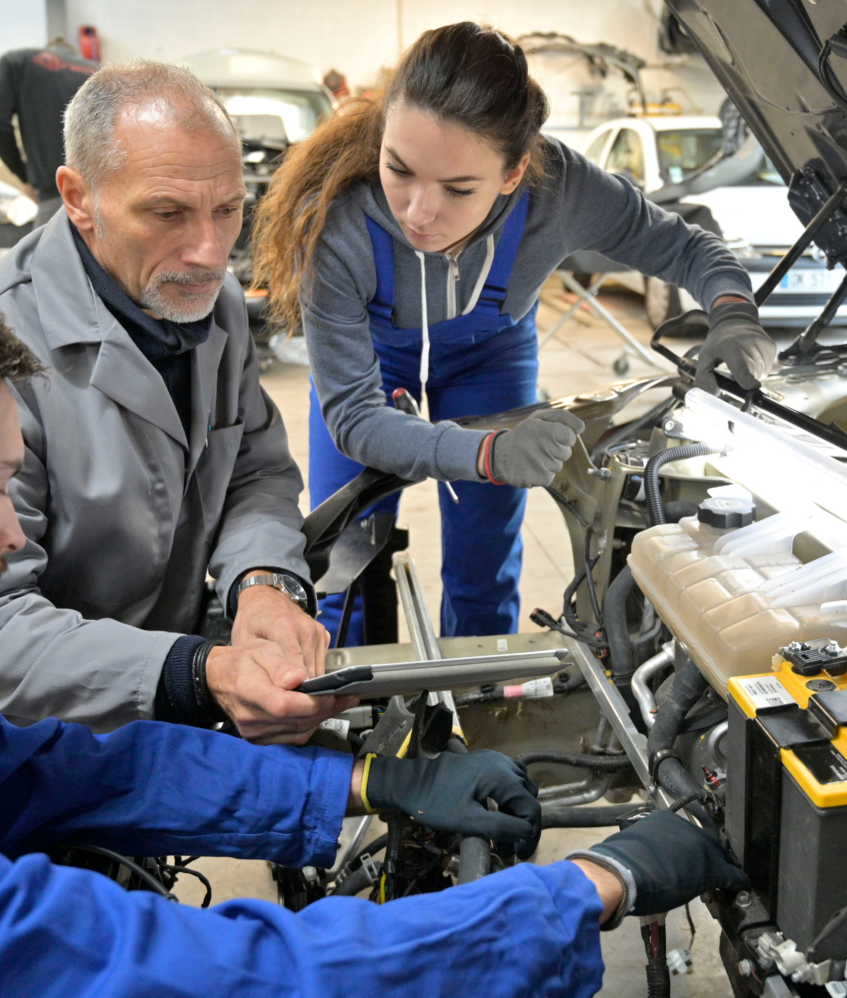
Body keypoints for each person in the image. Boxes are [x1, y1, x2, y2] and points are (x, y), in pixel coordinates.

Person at [0, 262, 747, 996]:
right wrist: (582, 889)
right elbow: (208, 975)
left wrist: (371, 780)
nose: (17, 531)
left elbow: (73, 768)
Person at [253, 23, 777, 645]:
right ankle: (345, 715)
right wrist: (487, 452)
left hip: (489, 359)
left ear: (513, 173)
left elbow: (688, 247)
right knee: (343, 561)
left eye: (458, 189)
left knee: (483, 566)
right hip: (372, 360)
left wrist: (735, 311)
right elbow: (357, 420)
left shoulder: (563, 191)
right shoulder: (338, 222)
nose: (419, 211)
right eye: (400, 170)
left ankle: (481, 708)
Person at [0, 61, 341, 743]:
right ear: (78, 196)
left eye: (228, 209)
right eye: (167, 213)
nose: (212, 252)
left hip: (159, 671)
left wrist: (263, 581)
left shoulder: (219, 307)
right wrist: (192, 672)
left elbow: (255, 471)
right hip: (3, 730)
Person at [0, 39, 99, 226]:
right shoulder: (99, 71)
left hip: (56, 197)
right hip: (105, 197)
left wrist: (24, 176)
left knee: (51, 253)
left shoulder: (17, 62)